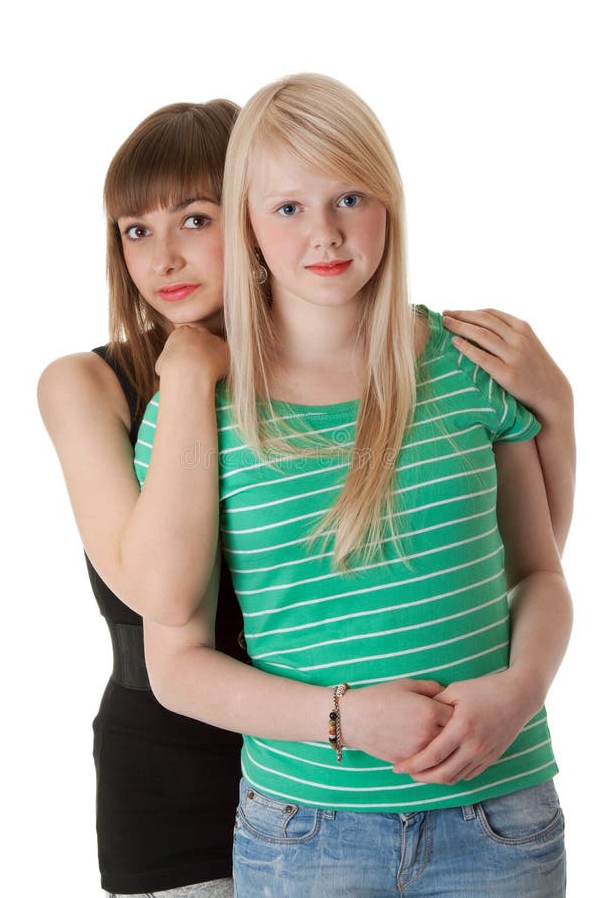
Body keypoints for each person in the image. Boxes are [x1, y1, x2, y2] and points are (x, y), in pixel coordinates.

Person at [134, 75, 574, 896]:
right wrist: (344, 718)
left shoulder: (468, 365)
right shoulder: (201, 413)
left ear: (390, 202)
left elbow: (541, 575)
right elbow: (177, 664)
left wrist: (522, 689)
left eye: (349, 197)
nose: (326, 235)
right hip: (305, 834)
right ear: (248, 228)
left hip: (500, 820)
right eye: (288, 208)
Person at [37, 101, 247, 897]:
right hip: (170, 784)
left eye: (194, 219)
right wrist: (187, 378)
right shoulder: (86, 383)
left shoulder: (324, 380)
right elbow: (158, 588)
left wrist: (560, 414)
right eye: (136, 230)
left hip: (335, 767)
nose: (162, 258)